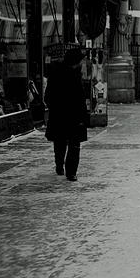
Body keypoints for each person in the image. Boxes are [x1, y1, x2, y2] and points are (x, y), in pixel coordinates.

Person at [44, 47, 88, 181]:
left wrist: (55, 108)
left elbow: (47, 97)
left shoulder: (55, 74)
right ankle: (71, 172)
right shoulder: (75, 76)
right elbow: (80, 98)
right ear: (76, 61)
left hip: (58, 115)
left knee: (60, 141)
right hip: (73, 116)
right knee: (74, 145)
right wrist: (83, 115)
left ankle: (60, 165)